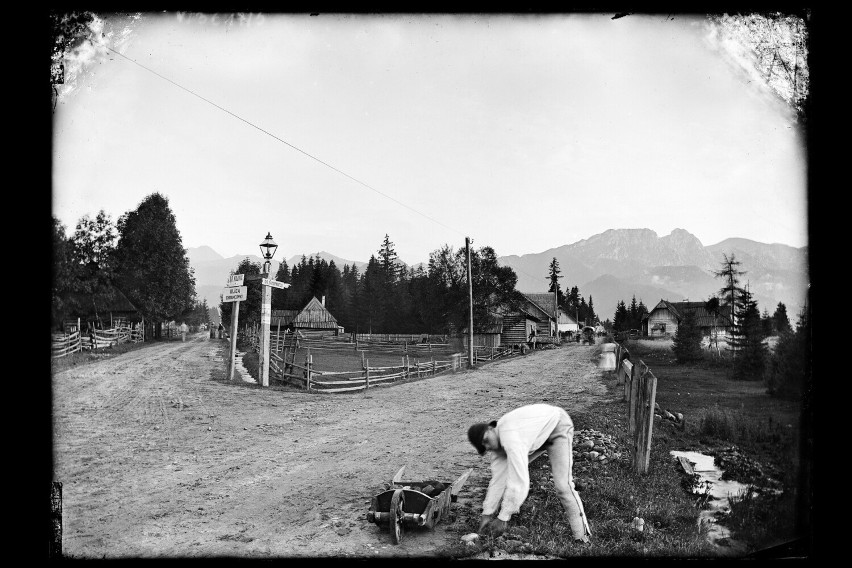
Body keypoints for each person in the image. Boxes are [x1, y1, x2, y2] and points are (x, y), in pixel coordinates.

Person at [467, 403, 591, 542]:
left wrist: (504, 517)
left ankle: (582, 537)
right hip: (537, 435)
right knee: (506, 476)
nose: (489, 446)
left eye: (486, 440)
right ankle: (498, 516)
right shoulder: (498, 449)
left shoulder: (510, 437)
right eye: (484, 447)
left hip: (557, 425)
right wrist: (487, 514)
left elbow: (520, 481)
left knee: (563, 486)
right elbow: (497, 482)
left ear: (491, 428)